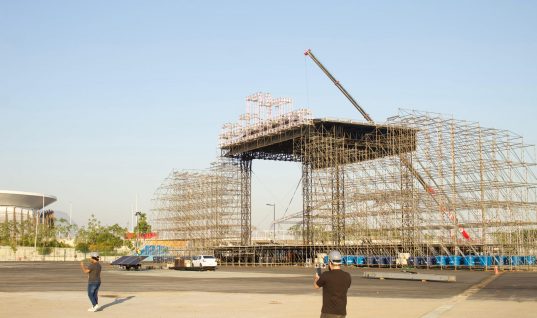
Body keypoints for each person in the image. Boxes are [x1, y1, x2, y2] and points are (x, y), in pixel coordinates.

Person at [314, 250, 352, 318]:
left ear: (330, 263)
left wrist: (316, 279)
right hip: (342, 312)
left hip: (328, 312)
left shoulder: (326, 275)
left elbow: (316, 286)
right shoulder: (347, 276)